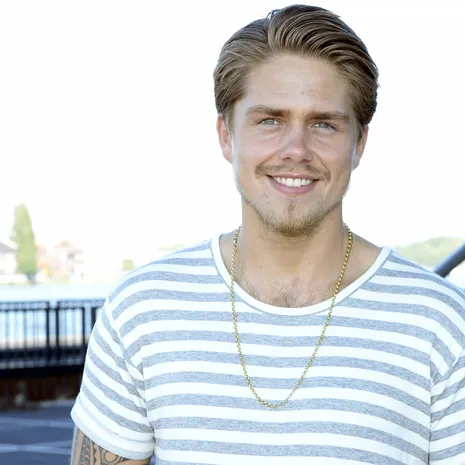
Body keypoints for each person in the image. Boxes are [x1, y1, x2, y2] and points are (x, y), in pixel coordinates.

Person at [70, 4, 465, 465]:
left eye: (323, 124)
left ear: (359, 143)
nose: (296, 150)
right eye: (270, 121)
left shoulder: (442, 326)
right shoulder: (141, 311)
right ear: (226, 135)